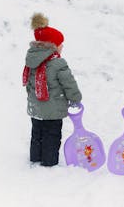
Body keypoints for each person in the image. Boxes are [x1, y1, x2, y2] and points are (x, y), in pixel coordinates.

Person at [23, 13, 82, 167]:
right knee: (52, 135)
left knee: (37, 134)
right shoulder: (58, 63)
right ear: (52, 45)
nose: (62, 47)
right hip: (53, 110)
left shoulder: (31, 59)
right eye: (60, 44)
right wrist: (75, 98)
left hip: (36, 107)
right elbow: (69, 83)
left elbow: (29, 83)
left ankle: (35, 158)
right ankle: (49, 163)